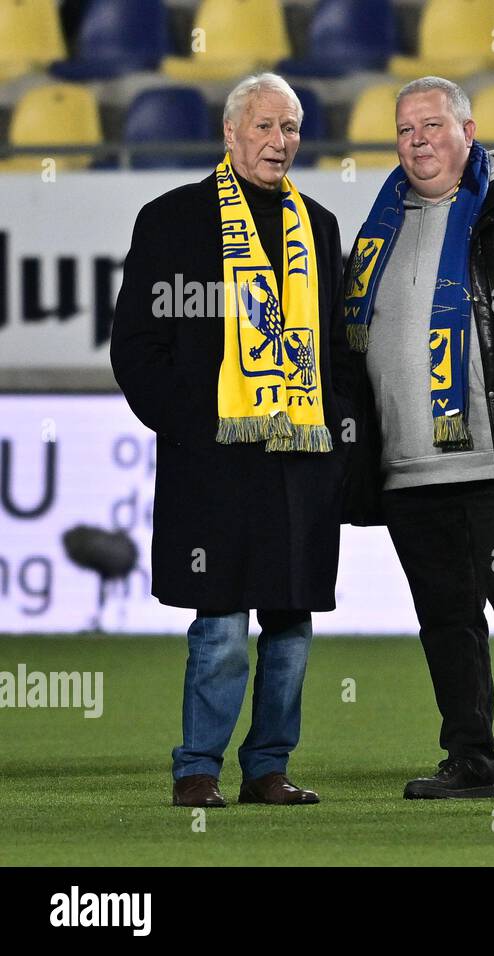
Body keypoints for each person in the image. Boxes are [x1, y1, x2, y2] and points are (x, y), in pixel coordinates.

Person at [341, 77, 494, 800]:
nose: (418, 140)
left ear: (468, 130)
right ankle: (472, 758)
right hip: (408, 467)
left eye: (432, 125)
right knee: (445, 619)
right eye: (405, 129)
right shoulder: (375, 227)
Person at [111, 73, 351, 808]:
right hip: (212, 464)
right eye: (265, 127)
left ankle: (270, 768)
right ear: (230, 132)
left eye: (291, 129)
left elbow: (338, 356)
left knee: (290, 623)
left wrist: (337, 441)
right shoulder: (172, 220)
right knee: (218, 623)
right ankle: (197, 770)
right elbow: (136, 349)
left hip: (297, 462)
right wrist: (195, 429)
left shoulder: (321, 225)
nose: (279, 142)